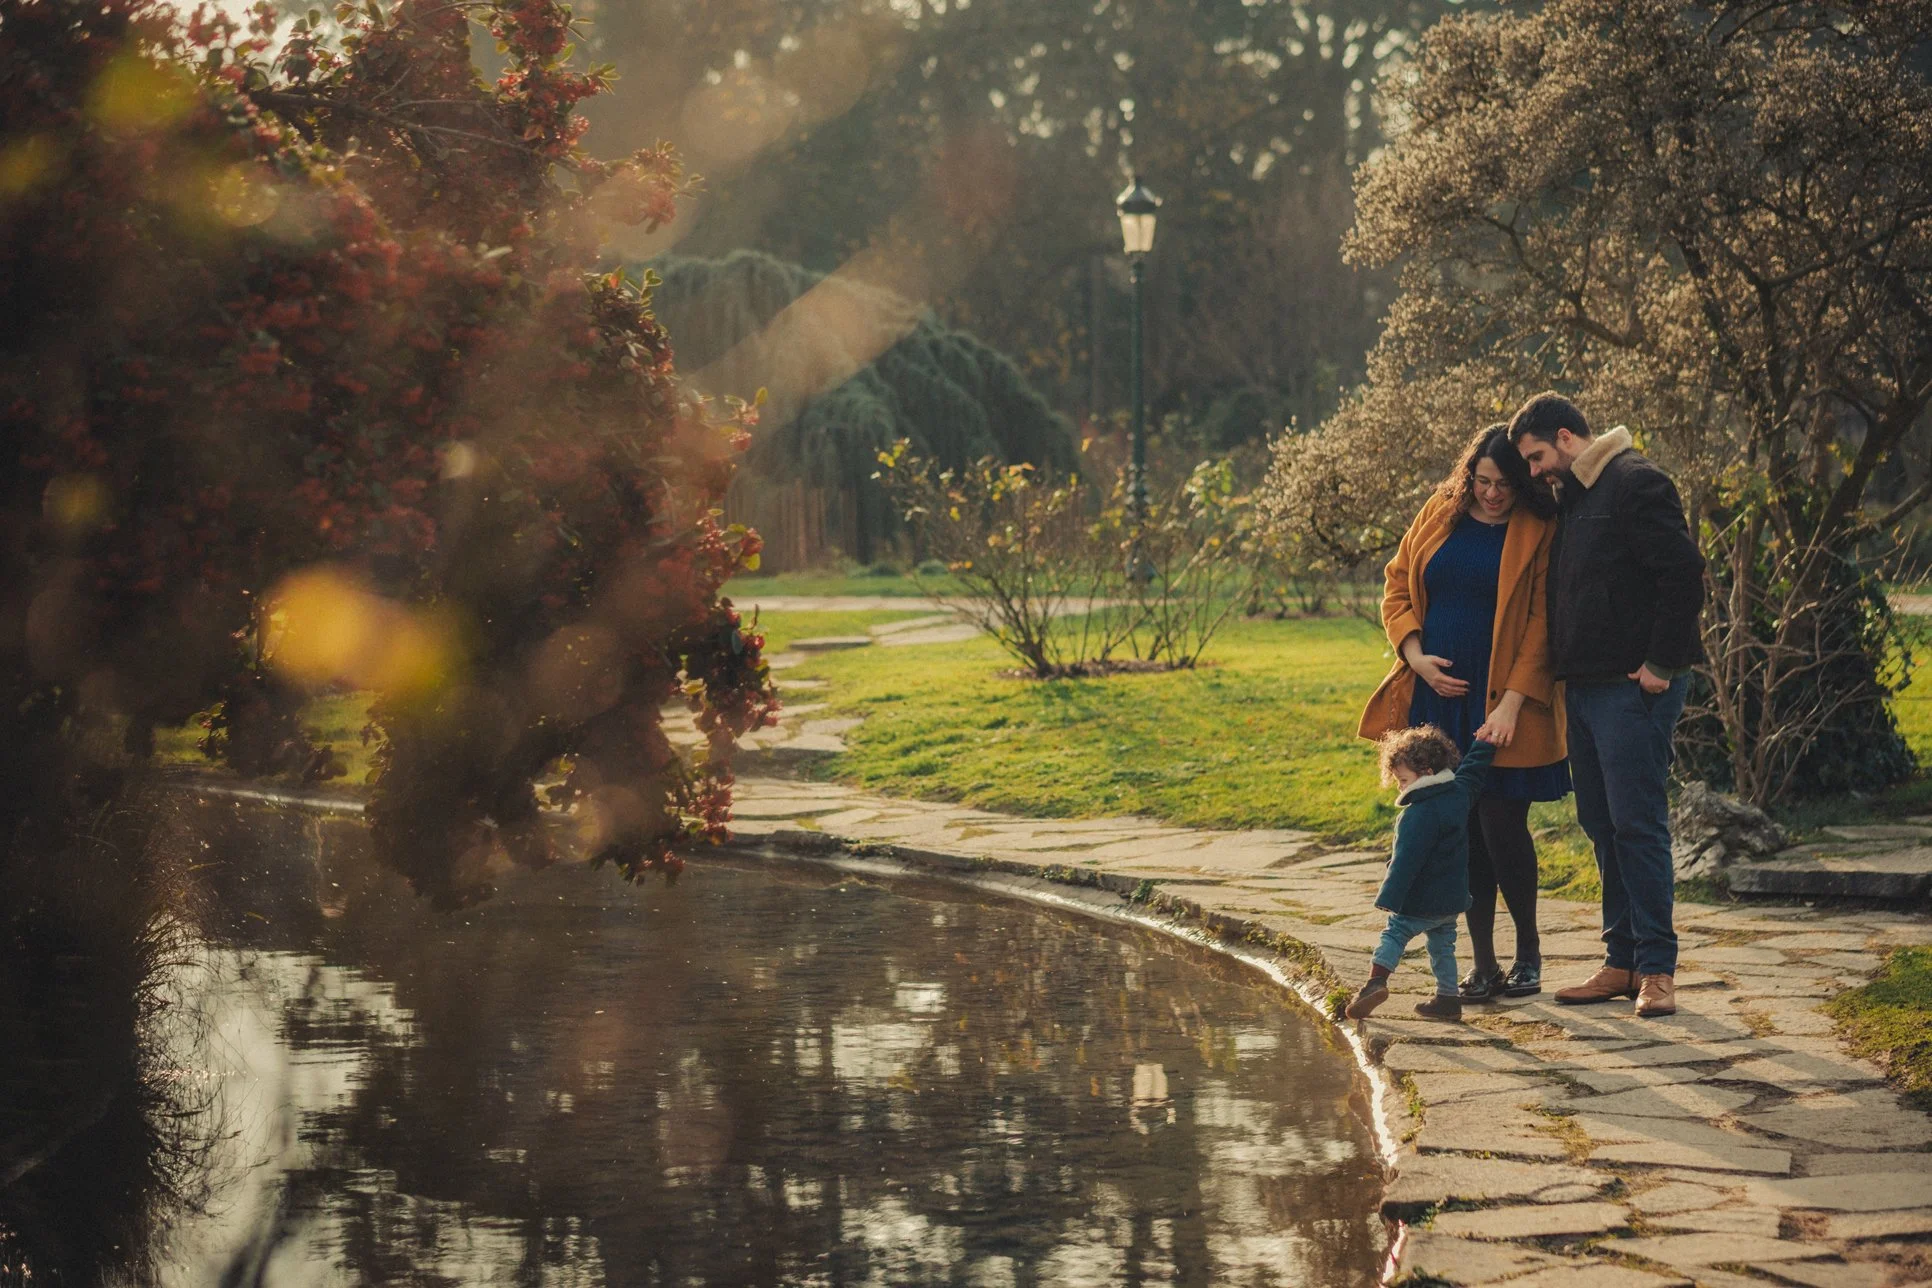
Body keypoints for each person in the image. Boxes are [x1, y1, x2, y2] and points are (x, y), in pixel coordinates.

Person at [1509, 393, 1706, 1019]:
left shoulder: (1634, 480)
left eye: (1537, 457)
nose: (1535, 472)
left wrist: (1660, 666)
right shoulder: (1576, 496)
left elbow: (1683, 575)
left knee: (1638, 825)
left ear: (1566, 438)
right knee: (1601, 824)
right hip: (1586, 692)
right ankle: (1620, 962)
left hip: (1632, 690)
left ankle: (1656, 969)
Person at [1359, 425, 1569, 1002]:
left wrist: (1510, 704)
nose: (1492, 494)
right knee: (1460, 832)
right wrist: (1417, 657)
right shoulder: (1441, 510)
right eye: (1482, 482)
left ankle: (1528, 954)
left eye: (1504, 484)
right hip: (1438, 699)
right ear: (1468, 475)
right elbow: (1397, 584)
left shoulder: (1541, 528)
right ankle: (1483, 966)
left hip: (1507, 707)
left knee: (1502, 828)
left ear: (1522, 483)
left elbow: (1542, 623)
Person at [1345, 729, 1496, 1024]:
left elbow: (1405, 862)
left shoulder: (1417, 814)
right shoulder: (1458, 794)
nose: (1400, 786)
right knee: (1443, 946)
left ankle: (1376, 982)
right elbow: (1472, 772)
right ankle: (1448, 999)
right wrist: (1484, 743)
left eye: (1403, 780)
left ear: (1426, 773)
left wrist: (1389, 897)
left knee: (1395, 933)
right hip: (1452, 899)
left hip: (1420, 900)